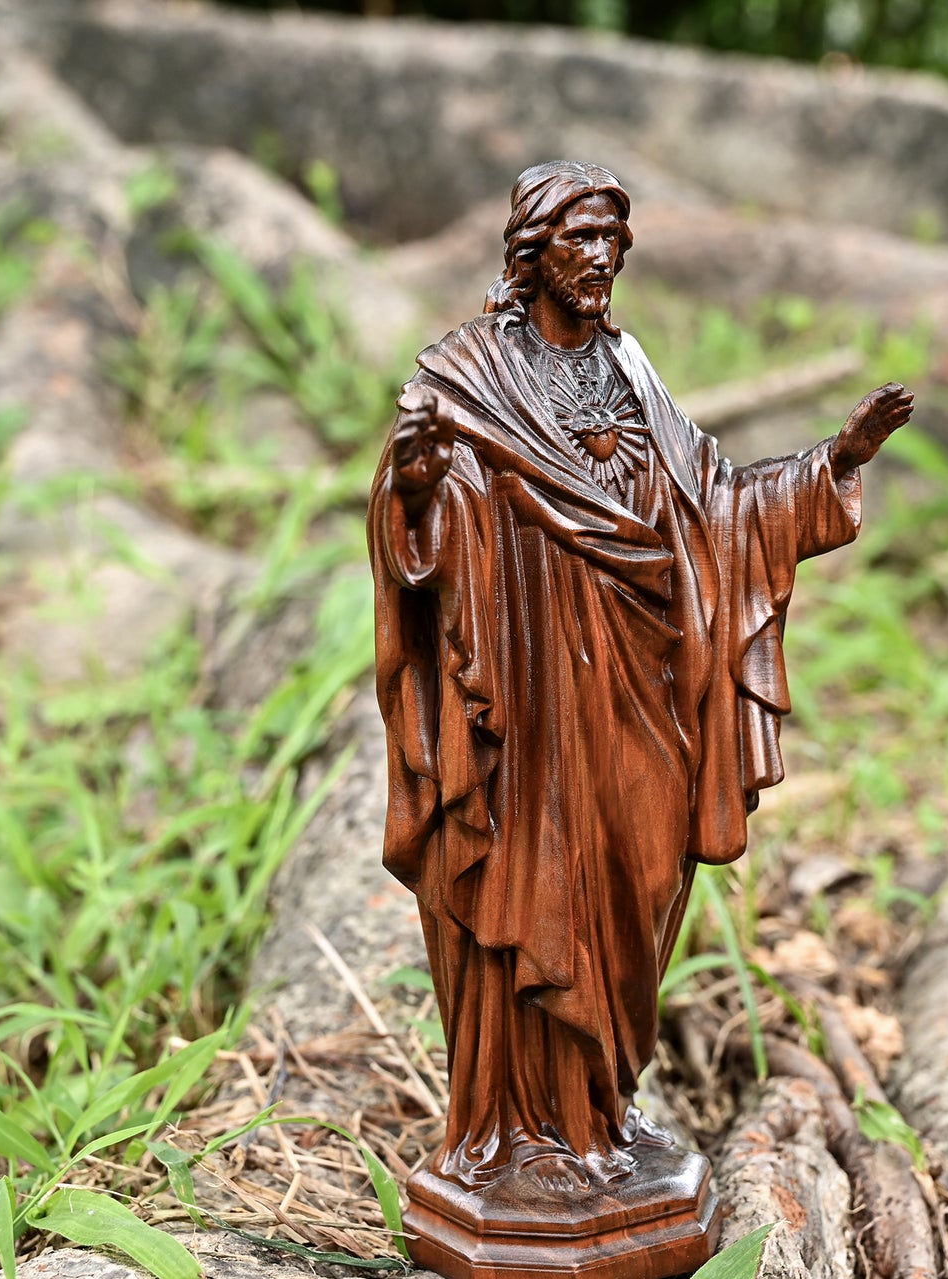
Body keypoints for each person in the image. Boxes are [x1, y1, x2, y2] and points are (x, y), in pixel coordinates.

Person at [371, 160, 912, 1198]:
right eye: (580, 239)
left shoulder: (628, 363)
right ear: (532, 252)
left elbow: (707, 504)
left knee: (634, 877)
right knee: (532, 879)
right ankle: (516, 1133)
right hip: (523, 694)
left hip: (638, 680)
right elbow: (415, 521)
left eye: (613, 240)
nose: (602, 258)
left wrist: (828, 463)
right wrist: (414, 488)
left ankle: (597, 1113)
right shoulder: (464, 373)